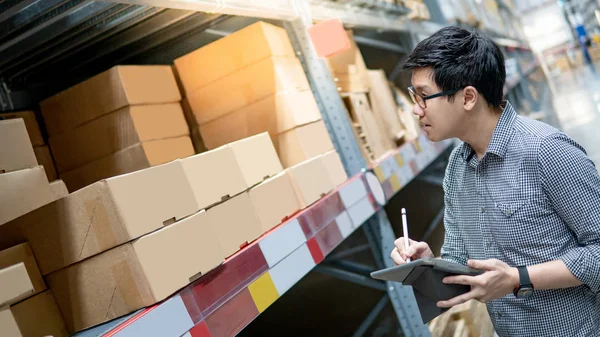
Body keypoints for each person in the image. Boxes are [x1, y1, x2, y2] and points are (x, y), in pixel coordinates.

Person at [390, 26, 600, 337]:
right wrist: (429, 265)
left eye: (423, 96)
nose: (415, 109)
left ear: (468, 97)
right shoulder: (456, 170)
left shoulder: (546, 151)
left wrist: (518, 277)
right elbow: (461, 261)